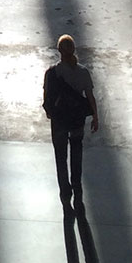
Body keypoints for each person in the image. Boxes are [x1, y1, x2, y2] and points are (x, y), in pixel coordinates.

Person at [43, 34, 99, 211]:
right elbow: (90, 97)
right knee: (76, 152)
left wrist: (49, 112)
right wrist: (95, 116)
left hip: (59, 120)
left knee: (61, 156)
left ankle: (65, 192)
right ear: (74, 50)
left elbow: (46, 97)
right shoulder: (83, 72)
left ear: (59, 50)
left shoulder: (52, 73)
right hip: (76, 119)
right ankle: (77, 186)